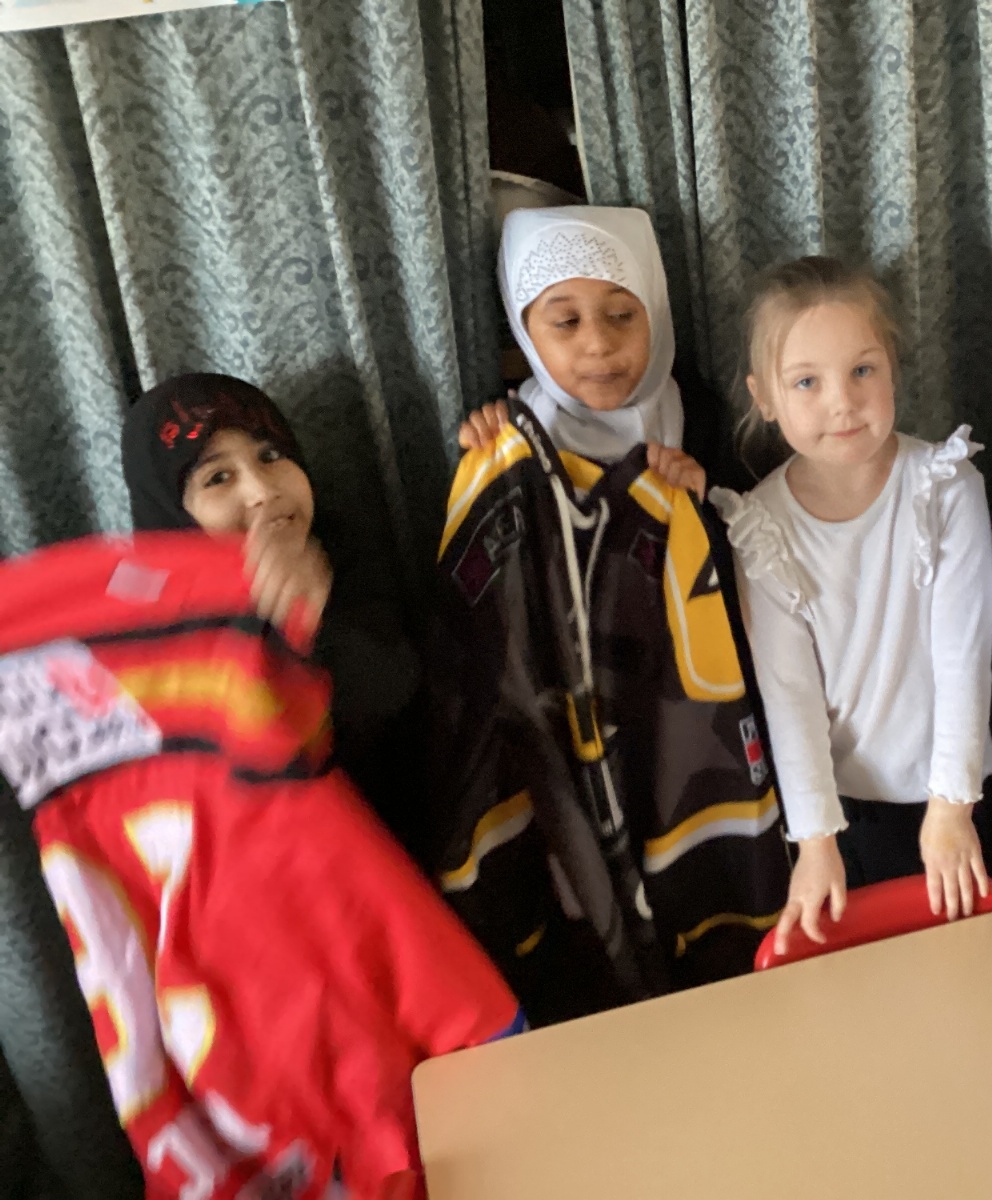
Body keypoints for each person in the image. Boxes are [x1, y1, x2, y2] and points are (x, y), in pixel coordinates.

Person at [710, 256, 992, 955]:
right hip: (843, 817)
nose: (842, 402)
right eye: (807, 382)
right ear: (765, 397)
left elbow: (964, 659)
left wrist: (951, 808)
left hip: (958, 797)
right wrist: (816, 841)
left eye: (862, 370)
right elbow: (789, 694)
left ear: (893, 369)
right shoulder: (761, 526)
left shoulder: (945, 487)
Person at [120, 373, 425, 846]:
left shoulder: (339, 550)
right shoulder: (153, 632)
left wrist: (314, 626)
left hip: (390, 846)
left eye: (270, 455)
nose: (262, 490)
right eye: (218, 478)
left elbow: (394, 694)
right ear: (170, 516)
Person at [457, 205, 705, 496]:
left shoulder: (701, 419)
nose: (598, 344)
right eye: (566, 322)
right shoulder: (509, 431)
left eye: (621, 315)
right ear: (525, 334)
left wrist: (699, 501)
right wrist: (481, 465)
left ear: (655, 314)